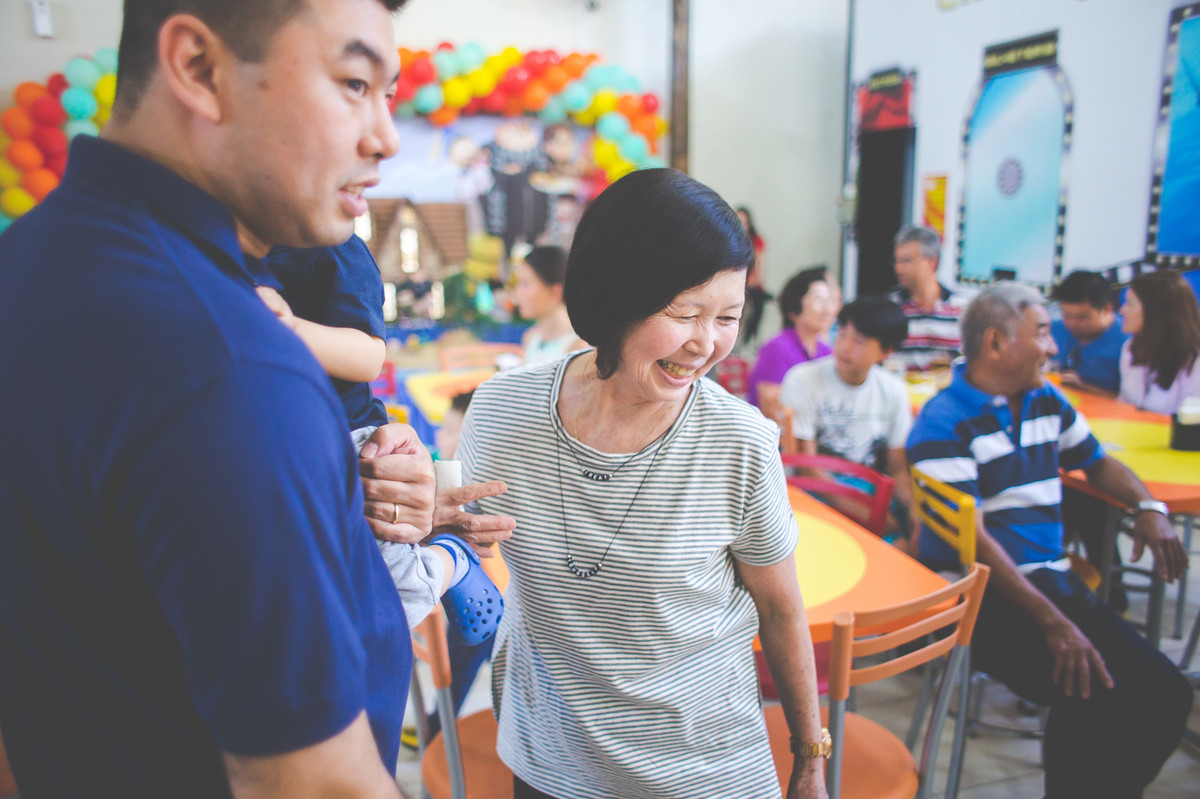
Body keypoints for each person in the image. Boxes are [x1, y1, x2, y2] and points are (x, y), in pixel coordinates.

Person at [459, 169, 828, 799]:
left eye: (727, 318)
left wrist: (810, 760)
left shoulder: (737, 441)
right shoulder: (501, 414)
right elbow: (457, 545)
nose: (705, 344)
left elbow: (781, 608)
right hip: (550, 765)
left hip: (704, 772)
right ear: (615, 292)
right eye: (684, 313)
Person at [906, 283, 1191, 799]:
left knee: (1166, 692)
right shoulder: (942, 422)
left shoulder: (1045, 400)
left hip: (1052, 581)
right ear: (995, 343)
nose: (1053, 345)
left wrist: (1148, 507)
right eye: (1041, 332)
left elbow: (1096, 461)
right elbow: (977, 546)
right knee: (1093, 689)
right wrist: (1054, 623)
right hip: (983, 597)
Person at [259, 237, 502, 639]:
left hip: (349, 434)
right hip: (285, 441)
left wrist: (287, 328)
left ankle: (451, 560)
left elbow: (370, 356)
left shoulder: (332, 248)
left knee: (388, 595)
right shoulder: (234, 251)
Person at [779, 296, 913, 541]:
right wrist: (868, 515)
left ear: (886, 351)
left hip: (869, 493)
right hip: (819, 493)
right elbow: (806, 466)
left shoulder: (893, 390)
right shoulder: (804, 379)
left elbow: (898, 469)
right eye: (840, 334)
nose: (844, 346)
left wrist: (916, 515)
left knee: (908, 544)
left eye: (859, 341)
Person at [748, 266, 838, 407]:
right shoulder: (777, 350)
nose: (828, 310)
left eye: (830, 301)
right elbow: (775, 409)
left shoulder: (826, 352)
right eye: (819, 300)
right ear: (794, 307)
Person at [1118, 270, 1200, 415]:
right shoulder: (1131, 348)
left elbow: (1191, 425)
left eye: (1130, 304)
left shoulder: (1194, 359)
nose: (1122, 310)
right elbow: (1125, 403)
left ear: (1154, 311)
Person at [889, 225, 969, 371]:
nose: (898, 268)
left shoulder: (962, 310)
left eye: (907, 261)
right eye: (897, 261)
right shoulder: (890, 308)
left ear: (932, 262)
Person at [1050, 269, 1127, 395]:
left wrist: (1083, 387)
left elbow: (1129, 402)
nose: (1072, 323)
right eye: (1066, 315)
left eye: (1081, 317)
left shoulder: (1128, 342)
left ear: (1107, 309)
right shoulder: (1051, 330)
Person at [513, 244, 585, 365]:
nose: (517, 292)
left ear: (554, 292)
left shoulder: (578, 348)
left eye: (525, 284)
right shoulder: (530, 339)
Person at [737, 205, 771, 346]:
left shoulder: (755, 240)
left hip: (750, 284)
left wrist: (750, 282)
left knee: (757, 302)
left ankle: (748, 340)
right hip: (735, 283)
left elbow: (758, 265)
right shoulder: (728, 239)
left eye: (744, 222)